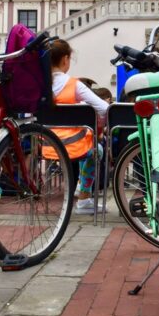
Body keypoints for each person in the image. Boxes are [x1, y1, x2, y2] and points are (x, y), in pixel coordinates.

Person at [47, 39, 109, 214]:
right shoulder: (75, 85)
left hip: (45, 146)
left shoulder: (40, 86)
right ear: (65, 59)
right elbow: (105, 109)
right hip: (73, 146)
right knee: (97, 149)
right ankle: (83, 197)